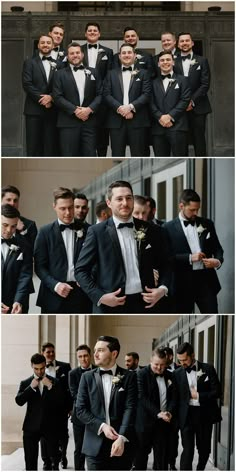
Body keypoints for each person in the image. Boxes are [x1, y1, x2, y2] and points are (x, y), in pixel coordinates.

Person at [75, 180, 170, 314]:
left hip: (146, 304)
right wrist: (100, 296)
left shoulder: (151, 230)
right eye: (119, 199)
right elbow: (80, 271)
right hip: (110, 306)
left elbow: (167, 263)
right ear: (109, 203)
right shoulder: (96, 232)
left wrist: (163, 289)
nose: (125, 203)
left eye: (128, 198)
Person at [76, 335, 137, 471]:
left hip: (122, 444)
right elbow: (80, 410)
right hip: (94, 445)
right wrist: (102, 426)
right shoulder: (86, 377)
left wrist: (121, 437)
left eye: (101, 350)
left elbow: (130, 408)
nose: (95, 354)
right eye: (95, 350)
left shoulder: (129, 377)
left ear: (114, 354)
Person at [163, 189, 224, 313]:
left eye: (197, 209)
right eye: (192, 210)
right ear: (181, 206)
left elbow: (217, 248)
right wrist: (190, 258)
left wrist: (217, 261)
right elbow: (167, 258)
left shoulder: (207, 224)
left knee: (212, 314)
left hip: (206, 281)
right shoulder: (167, 228)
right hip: (182, 283)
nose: (196, 213)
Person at [34, 187, 91, 314]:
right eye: (63, 208)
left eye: (71, 207)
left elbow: (97, 261)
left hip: (83, 295)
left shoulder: (89, 230)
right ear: (54, 206)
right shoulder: (44, 232)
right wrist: (56, 285)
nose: (68, 213)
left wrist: (89, 277)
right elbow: (39, 267)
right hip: (53, 294)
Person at [172, 342, 222, 470]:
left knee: (204, 449)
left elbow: (217, 392)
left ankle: (200, 469)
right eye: (180, 360)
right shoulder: (177, 373)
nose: (182, 363)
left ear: (192, 355)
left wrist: (199, 395)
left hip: (204, 414)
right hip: (186, 416)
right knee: (187, 449)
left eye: (185, 359)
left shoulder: (208, 368)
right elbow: (175, 398)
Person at [52, 42, 102, 156]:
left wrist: (89, 110)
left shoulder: (94, 72)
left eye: (77, 52)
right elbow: (57, 96)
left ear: (82, 54)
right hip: (68, 122)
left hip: (89, 122)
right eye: (72, 53)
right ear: (67, 56)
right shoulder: (59, 74)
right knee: (69, 156)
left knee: (90, 155)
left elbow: (100, 94)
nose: (75, 55)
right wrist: (76, 110)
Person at [15, 353, 63, 471]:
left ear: (45, 366)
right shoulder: (25, 383)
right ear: (32, 366)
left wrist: (51, 387)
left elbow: (62, 402)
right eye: (36, 369)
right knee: (30, 462)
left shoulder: (55, 382)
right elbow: (19, 401)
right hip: (31, 427)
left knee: (54, 462)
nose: (39, 371)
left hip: (51, 427)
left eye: (42, 368)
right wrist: (30, 388)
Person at [103, 44, 151, 157]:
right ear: (119, 56)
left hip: (137, 119)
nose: (126, 55)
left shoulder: (143, 73)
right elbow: (106, 94)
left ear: (135, 55)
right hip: (116, 121)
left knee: (138, 154)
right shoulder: (111, 74)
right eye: (123, 53)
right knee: (117, 154)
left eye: (129, 52)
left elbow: (146, 94)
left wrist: (130, 107)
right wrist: (120, 108)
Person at [134, 347, 174, 470]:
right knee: (141, 458)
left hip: (163, 424)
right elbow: (142, 398)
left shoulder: (170, 375)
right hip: (144, 423)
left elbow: (174, 397)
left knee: (161, 459)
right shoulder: (141, 374)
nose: (159, 368)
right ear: (151, 360)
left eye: (162, 365)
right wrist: (158, 413)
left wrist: (169, 412)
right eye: (156, 364)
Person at [174, 32, 212, 156]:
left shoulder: (202, 60)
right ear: (178, 44)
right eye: (182, 41)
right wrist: (183, 102)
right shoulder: (173, 62)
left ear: (192, 43)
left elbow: (205, 84)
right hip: (179, 108)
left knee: (199, 139)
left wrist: (192, 101)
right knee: (181, 141)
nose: (184, 43)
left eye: (187, 41)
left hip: (199, 106)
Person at [22, 34, 59, 157]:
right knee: (33, 147)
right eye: (42, 42)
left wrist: (51, 97)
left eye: (48, 43)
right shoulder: (29, 62)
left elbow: (62, 86)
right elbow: (27, 84)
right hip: (34, 110)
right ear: (38, 45)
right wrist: (43, 99)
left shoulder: (59, 64)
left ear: (53, 45)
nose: (45, 45)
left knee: (50, 147)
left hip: (52, 111)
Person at [81, 22, 113, 157]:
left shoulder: (108, 52)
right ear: (85, 33)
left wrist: (102, 93)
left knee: (102, 136)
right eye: (90, 30)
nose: (92, 32)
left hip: (102, 100)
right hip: (82, 100)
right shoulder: (78, 50)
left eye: (95, 30)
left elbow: (110, 74)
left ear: (99, 34)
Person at [151, 51, 191, 157]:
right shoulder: (152, 82)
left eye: (168, 60)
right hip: (158, 128)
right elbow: (150, 102)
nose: (165, 62)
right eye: (162, 60)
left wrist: (170, 116)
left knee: (180, 158)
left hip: (178, 126)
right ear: (158, 64)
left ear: (173, 62)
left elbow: (185, 100)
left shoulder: (183, 80)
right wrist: (160, 117)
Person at [40, 343, 72, 470]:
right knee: (44, 435)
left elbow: (69, 389)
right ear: (43, 353)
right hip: (45, 411)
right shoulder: (39, 369)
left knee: (63, 434)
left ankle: (62, 455)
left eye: (53, 351)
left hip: (61, 408)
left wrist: (70, 407)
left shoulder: (65, 367)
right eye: (48, 352)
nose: (51, 354)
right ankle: (46, 460)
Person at [1, 204, 33, 314]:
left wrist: (18, 300)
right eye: (5, 225)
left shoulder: (24, 245)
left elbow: (25, 275)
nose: (9, 230)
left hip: (14, 304)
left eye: (13, 226)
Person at [69, 344, 95, 470]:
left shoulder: (98, 369)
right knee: (79, 448)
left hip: (97, 416)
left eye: (85, 356)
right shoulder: (72, 374)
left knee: (95, 447)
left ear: (90, 356)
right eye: (80, 356)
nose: (83, 359)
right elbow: (75, 395)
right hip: (79, 417)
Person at [1, 185, 37, 250]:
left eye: (15, 200)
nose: (12, 203)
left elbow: (33, 252)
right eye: (8, 200)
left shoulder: (30, 225)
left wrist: (22, 232)